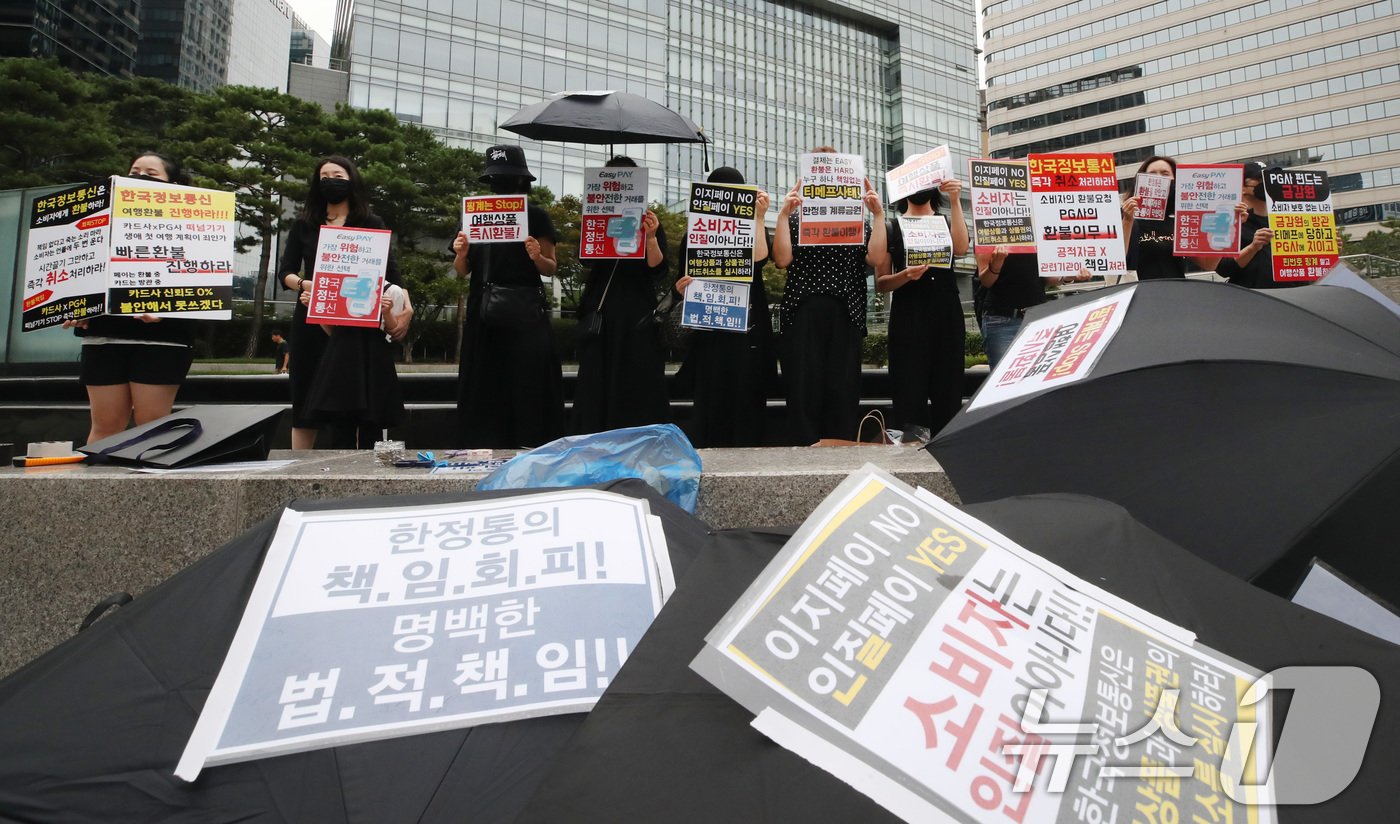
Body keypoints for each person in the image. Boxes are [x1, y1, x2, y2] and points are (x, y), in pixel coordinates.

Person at [64, 152, 197, 445]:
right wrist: (75, 308)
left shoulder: (196, 226)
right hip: (104, 336)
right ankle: (94, 487)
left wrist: (167, 312)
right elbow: (78, 269)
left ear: (173, 184)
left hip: (162, 338)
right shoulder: (98, 220)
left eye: (151, 174)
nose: (139, 177)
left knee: (152, 424)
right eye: (134, 171)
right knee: (105, 426)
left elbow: (203, 284)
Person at [278, 155, 410, 449]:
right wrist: (304, 284)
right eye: (323, 177)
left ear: (351, 179)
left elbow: (391, 273)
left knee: (356, 398)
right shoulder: (304, 224)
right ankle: (299, 469)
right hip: (313, 314)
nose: (330, 181)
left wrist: (406, 305)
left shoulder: (371, 222)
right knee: (305, 396)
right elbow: (285, 271)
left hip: (356, 323)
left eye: (337, 175)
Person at [773, 147, 889, 445]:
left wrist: (878, 215)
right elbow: (782, 259)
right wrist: (784, 214)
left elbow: (877, 259)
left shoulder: (861, 222)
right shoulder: (795, 219)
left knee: (842, 387)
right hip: (803, 309)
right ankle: (803, 447)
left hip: (846, 311)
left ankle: (841, 446)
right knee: (802, 386)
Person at [454, 145, 564, 448]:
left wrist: (536, 256)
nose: (501, 185)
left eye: (507, 178)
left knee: (526, 382)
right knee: (485, 383)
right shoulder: (474, 213)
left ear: (522, 182)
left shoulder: (537, 216)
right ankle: (482, 445)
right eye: (496, 179)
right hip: (484, 312)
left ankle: (531, 442)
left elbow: (550, 267)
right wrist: (462, 253)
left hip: (525, 314)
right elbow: (462, 269)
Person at [672, 166, 778, 447]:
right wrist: (682, 287)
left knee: (747, 394)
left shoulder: (751, 226)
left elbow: (759, 259)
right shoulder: (695, 234)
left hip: (747, 326)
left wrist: (759, 217)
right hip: (709, 327)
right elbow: (679, 280)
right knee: (711, 393)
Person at [572, 156, 669, 434]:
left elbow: (658, 268)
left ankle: (639, 435)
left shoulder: (650, 219)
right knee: (595, 377)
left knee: (637, 376)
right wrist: (594, 223)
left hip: (636, 312)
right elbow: (586, 260)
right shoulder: (595, 214)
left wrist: (650, 237)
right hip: (601, 311)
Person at [877, 178, 970, 438]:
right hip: (909, 316)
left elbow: (962, 248)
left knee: (949, 391)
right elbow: (882, 282)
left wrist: (954, 200)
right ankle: (910, 453)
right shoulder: (891, 227)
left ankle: (947, 452)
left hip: (947, 315)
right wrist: (905, 275)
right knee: (908, 391)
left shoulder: (947, 222)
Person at [1119, 155, 1236, 279]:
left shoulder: (1182, 221)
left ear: (1175, 181)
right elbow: (1117, 261)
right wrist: (1127, 220)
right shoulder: (1127, 217)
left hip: (1177, 293)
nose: (1158, 178)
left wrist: (1224, 226)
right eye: (1152, 174)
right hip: (1139, 294)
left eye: (1165, 174)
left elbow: (1208, 264)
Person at [1215, 161, 1302, 289]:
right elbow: (1223, 268)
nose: (1266, 183)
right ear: (1242, 187)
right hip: (1254, 299)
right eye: (1260, 179)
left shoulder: (1287, 221)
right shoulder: (1232, 220)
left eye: (1269, 179)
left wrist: (1327, 248)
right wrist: (1253, 247)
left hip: (1294, 296)